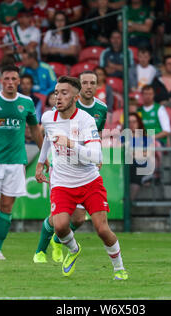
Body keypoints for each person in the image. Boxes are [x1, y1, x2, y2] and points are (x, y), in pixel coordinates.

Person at [35, 75, 128, 280]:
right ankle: (74, 249)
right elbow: (48, 141)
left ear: (75, 97)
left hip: (88, 180)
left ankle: (119, 268)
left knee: (102, 229)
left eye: (64, 93)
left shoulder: (86, 120)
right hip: (61, 181)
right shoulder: (48, 118)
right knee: (60, 226)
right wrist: (41, 163)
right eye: (56, 93)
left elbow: (96, 155)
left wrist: (71, 143)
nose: (58, 97)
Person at [0, 65, 45, 260]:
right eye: (7, 79)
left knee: (6, 207)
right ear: (1, 80)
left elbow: (35, 130)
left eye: (14, 79)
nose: (11, 82)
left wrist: (44, 154)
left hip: (15, 162)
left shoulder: (27, 103)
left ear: (19, 81)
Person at [125, 112, 155, 201]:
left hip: (141, 166)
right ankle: (128, 205)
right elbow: (121, 153)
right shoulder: (123, 137)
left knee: (136, 166)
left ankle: (127, 205)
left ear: (139, 123)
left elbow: (148, 154)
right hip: (128, 166)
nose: (131, 124)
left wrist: (133, 153)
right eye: (129, 122)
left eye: (134, 122)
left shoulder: (146, 138)